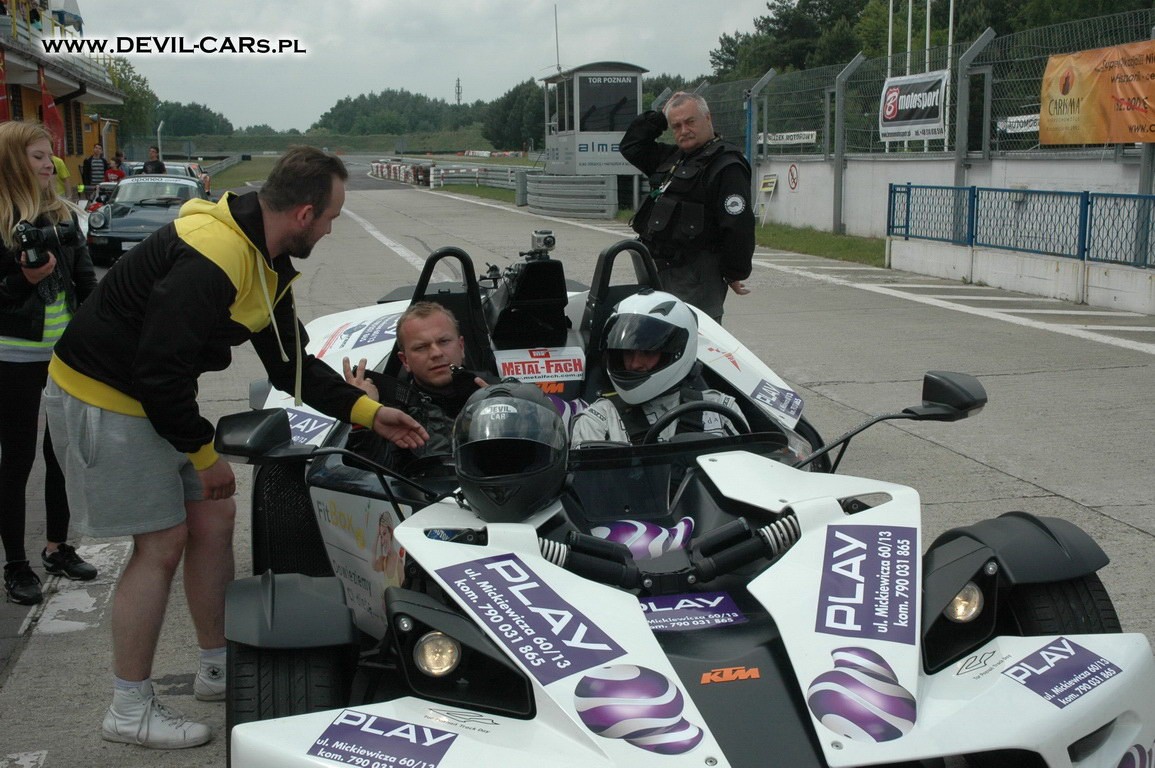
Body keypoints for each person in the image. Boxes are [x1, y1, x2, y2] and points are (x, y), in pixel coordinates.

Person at [44, 145, 428, 749]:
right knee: (160, 543)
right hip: (106, 397)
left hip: (150, 396)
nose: (331, 230)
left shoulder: (264, 258)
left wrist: (370, 413)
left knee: (214, 516)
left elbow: (291, 364)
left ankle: (217, 663)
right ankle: (128, 707)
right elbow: (158, 372)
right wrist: (203, 457)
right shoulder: (214, 257)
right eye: (330, 217)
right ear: (304, 214)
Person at [0, 121, 98, 606]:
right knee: (17, 460)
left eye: (49, 155)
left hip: (64, 354)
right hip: (13, 355)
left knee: (62, 452)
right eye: (37, 156)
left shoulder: (62, 215)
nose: (48, 163)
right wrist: (25, 278)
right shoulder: (2, 221)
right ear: (12, 161)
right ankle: (15, 564)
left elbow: (86, 282)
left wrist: (100, 331)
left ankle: (57, 548)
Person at [620, 91, 755, 323]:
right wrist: (662, 116)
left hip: (695, 278)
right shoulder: (673, 157)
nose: (684, 130)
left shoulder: (726, 165)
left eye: (690, 122)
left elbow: (737, 225)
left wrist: (733, 272)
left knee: (693, 337)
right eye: (676, 126)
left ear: (707, 118)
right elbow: (631, 146)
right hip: (656, 272)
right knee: (655, 336)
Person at [570, 290, 745, 446]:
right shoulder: (598, 422)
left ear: (677, 352)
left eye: (648, 353)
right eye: (627, 353)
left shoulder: (720, 411)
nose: (635, 364)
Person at [342, 301, 492, 473]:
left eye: (444, 341)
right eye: (421, 347)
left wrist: (499, 410)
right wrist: (364, 418)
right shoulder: (388, 411)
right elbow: (371, 478)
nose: (436, 353)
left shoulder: (498, 393)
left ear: (461, 346)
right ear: (405, 360)